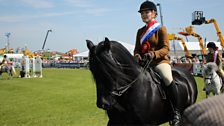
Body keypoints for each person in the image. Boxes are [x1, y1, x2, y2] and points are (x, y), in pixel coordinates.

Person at [134, 1, 181, 125]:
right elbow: (136, 49)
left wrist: (153, 54)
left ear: (154, 13)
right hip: (144, 64)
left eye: (147, 12)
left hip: (159, 62)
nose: (144, 15)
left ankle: (176, 111)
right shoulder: (140, 31)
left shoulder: (161, 29)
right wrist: (137, 55)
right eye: (142, 13)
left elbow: (166, 48)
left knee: (167, 77)